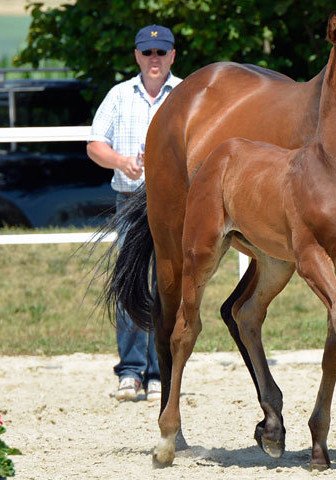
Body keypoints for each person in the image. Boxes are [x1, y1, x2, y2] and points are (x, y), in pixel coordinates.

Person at [87, 24, 182, 402]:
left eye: (161, 53)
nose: (154, 60)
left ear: (172, 55)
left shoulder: (187, 93)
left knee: (168, 286)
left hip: (173, 206)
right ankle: (130, 371)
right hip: (130, 203)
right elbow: (95, 144)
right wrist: (121, 161)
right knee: (131, 286)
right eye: (147, 53)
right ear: (137, 56)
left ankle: (160, 370)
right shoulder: (119, 95)